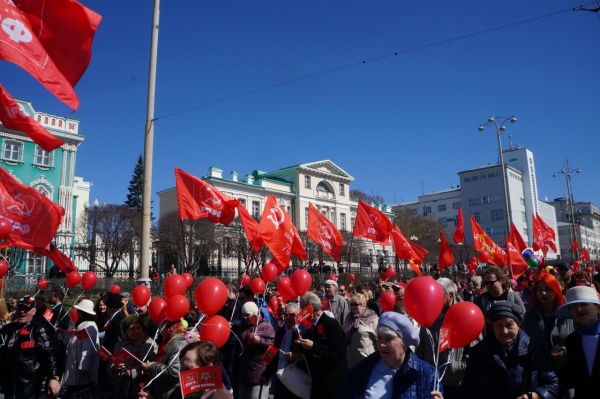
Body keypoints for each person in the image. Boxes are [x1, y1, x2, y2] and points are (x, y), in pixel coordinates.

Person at [462, 301, 558, 399]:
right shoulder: (479, 352)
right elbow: (468, 388)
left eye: (509, 325)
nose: (504, 331)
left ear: (518, 325)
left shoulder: (534, 349)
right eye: (499, 326)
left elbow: (553, 384)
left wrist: (533, 396)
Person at [340, 311, 443, 399]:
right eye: (379, 337)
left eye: (389, 338)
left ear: (404, 342)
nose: (381, 344)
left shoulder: (428, 375)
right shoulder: (361, 370)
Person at [416, 278, 471, 399]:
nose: (432, 298)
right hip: (432, 381)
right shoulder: (428, 316)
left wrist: (458, 368)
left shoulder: (465, 314)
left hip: (457, 382)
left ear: (451, 295)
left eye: (437, 294)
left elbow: (475, 349)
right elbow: (421, 348)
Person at [522, 272, 574, 398]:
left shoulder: (569, 314)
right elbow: (523, 343)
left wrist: (566, 352)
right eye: (539, 289)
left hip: (566, 373)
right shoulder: (530, 316)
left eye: (548, 289)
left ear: (556, 290)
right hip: (540, 374)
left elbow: (578, 341)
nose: (543, 293)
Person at [287, 292, 347, 399]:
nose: (301, 314)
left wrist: (313, 346)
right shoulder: (315, 326)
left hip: (330, 382)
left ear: (309, 309)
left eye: (303, 310)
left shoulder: (331, 324)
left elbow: (338, 352)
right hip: (319, 381)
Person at [0, 295, 61, 398]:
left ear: (34, 311)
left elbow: (51, 354)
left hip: (29, 388)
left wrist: (54, 378)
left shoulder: (39, 330)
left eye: (26, 309)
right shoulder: (7, 329)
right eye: (20, 308)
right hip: (9, 387)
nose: (22, 311)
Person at [555, 286, 600, 399]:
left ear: (597, 308)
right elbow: (572, 380)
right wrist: (561, 362)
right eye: (573, 306)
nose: (579, 309)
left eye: (584, 304)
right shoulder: (571, 340)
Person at [56, 299, 100, 398]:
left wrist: (84, 368)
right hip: (76, 371)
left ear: (83, 313)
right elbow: (74, 337)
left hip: (81, 374)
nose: (76, 312)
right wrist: (63, 332)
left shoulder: (89, 326)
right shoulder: (83, 325)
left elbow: (88, 349)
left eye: (79, 310)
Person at [109, 315, 158, 399]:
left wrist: (133, 373)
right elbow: (110, 366)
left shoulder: (150, 344)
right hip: (121, 388)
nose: (136, 331)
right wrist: (114, 368)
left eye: (138, 328)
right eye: (132, 328)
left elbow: (152, 367)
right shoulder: (120, 345)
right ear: (126, 331)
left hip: (141, 389)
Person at [263, 303, 302, 399]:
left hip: (295, 378)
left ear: (298, 315)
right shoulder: (280, 332)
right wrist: (266, 374)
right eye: (286, 315)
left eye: (292, 315)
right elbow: (274, 354)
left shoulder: (301, 333)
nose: (288, 318)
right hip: (280, 376)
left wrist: (296, 356)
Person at [141, 319, 187, 399]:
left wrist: (152, 366)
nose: (161, 331)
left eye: (164, 327)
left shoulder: (178, 344)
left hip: (170, 393)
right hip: (162, 391)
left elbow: (175, 371)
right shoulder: (169, 342)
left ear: (170, 329)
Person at [238, 301, 275, 399]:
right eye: (243, 315)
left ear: (255, 314)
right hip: (244, 372)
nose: (245, 317)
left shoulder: (265, 326)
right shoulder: (244, 325)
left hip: (259, 371)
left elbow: (273, 345)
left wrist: (261, 341)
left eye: (247, 315)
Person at [474, 266, 526, 336]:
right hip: (489, 339)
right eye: (486, 283)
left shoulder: (512, 297)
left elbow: (523, 317)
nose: (488, 285)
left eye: (491, 282)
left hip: (508, 337)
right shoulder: (482, 299)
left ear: (500, 281)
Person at [343, 293, 379, 368]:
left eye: (356, 304)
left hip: (367, 360)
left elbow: (378, 339)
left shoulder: (372, 318)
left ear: (363, 305)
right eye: (351, 305)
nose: (353, 307)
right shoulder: (349, 318)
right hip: (352, 359)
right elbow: (344, 334)